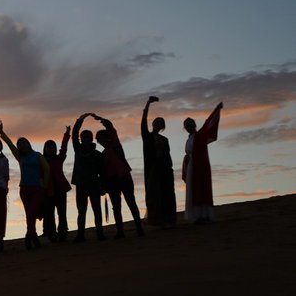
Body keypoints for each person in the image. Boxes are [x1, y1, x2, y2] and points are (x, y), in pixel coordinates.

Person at [0, 121, 50, 250]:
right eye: (20, 145)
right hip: (24, 189)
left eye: (24, 143)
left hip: (37, 188)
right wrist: (2, 133)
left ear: (28, 144)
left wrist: (44, 184)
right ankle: (33, 236)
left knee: (32, 212)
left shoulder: (37, 155)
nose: (22, 146)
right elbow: (10, 145)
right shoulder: (20, 157)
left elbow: (47, 169)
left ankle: (29, 236)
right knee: (29, 214)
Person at [90, 113, 144, 238]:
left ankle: (139, 228)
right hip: (113, 181)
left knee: (131, 202)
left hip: (124, 177)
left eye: (101, 139)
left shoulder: (115, 145)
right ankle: (120, 231)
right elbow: (102, 172)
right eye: (99, 140)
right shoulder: (102, 154)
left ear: (106, 138)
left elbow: (111, 128)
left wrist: (101, 119)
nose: (100, 142)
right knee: (117, 206)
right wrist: (103, 185)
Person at [183, 102, 223, 224]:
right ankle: (197, 216)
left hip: (200, 165)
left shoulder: (199, 135)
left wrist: (216, 110)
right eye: (186, 125)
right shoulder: (189, 139)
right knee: (193, 190)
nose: (189, 126)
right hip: (191, 166)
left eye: (190, 124)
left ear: (194, 125)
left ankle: (204, 215)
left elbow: (208, 124)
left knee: (202, 188)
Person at [141, 96, 177, 227]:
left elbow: (168, 155)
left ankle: (168, 219)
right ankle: (156, 219)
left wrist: (169, 168)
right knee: (154, 193)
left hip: (165, 169)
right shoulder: (147, 136)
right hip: (153, 169)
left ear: (163, 126)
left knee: (167, 192)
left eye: (161, 122)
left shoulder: (164, 139)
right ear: (153, 123)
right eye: (157, 121)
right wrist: (148, 104)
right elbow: (143, 120)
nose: (158, 123)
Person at [71, 114, 105, 242]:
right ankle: (81, 235)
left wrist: (103, 187)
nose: (85, 138)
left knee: (97, 209)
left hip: (94, 184)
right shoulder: (78, 149)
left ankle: (100, 233)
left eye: (88, 137)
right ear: (80, 139)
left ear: (92, 139)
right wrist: (80, 119)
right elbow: (74, 133)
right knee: (82, 211)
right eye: (83, 137)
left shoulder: (97, 154)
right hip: (81, 184)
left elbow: (102, 172)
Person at [42, 126, 72, 242]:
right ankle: (52, 234)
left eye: (53, 147)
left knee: (62, 214)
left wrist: (66, 134)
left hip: (60, 189)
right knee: (49, 215)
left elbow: (63, 148)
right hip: (48, 191)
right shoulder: (41, 160)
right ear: (45, 149)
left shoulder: (59, 159)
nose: (51, 149)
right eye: (49, 147)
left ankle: (63, 233)